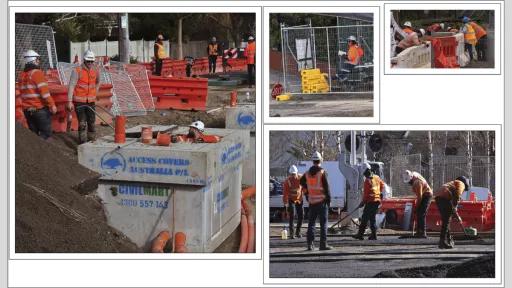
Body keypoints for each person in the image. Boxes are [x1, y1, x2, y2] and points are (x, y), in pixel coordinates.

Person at [19, 49, 57, 139]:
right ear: (34, 60)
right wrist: (52, 105)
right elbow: (45, 94)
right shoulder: (37, 73)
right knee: (46, 135)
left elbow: (22, 94)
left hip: (27, 111)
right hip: (39, 110)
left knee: (34, 137)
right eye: (38, 59)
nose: (39, 61)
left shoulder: (22, 75)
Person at [300, 151, 333, 251]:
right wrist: (329, 200)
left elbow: (302, 183)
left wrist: (307, 194)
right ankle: (323, 245)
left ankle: (310, 245)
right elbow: (327, 188)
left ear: (312, 161)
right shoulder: (322, 172)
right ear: (320, 160)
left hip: (312, 202)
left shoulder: (306, 174)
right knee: (323, 224)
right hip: (322, 202)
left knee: (311, 224)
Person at [66, 50, 100, 144]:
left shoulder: (96, 70)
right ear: (84, 60)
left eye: (91, 61)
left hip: (91, 101)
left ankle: (92, 141)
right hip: (79, 102)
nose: (90, 63)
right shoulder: (77, 70)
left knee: (92, 123)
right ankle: (83, 143)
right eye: (88, 61)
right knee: (82, 123)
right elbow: (71, 85)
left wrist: (95, 92)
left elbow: (98, 82)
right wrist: (69, 101)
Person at [434, 176, 470, 249]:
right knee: (446, 221)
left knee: (446, 221)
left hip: (438, 197)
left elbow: (452, 201)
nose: (463, 191)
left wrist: (454, 212)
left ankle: (447, 239)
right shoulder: (461, 183)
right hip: (444, 197)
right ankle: (442, 242)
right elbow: (457, 195)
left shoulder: (452, 184)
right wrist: (455, 208)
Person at [353, 163, 385, 241]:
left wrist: (363, 202)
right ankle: (373, 235)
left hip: (371, 202)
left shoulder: (367, 181)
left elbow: (366, 194)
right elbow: (382, 185)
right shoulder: (377, 177)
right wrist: (378, 193)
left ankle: (360, 234)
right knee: (372, 218)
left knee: (365, 218)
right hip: (376, 201)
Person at [403, 170, 432, 238]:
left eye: (409, 182)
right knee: (419, 213)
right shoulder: (414, 174)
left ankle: (422, 232)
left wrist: (416, 207)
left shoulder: (417, 183)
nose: (409, 183)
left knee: (421, 213)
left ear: (411, 178)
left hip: (427, 195)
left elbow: (420, 197)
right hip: (424, 194)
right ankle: (419, 231)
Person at [282, 165, 304, 239]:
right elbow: (285, 194)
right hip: (291, 199)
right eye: (292, 174)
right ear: (290, 174)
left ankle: (298, 232)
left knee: (301, 215)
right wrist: (286, 204)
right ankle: (292, 234)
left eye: (294, 174)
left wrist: (307, 194)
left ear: (297, 173)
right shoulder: (287, 181)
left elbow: (305, 187)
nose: (293, 176)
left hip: (299, 199)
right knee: (292, 215)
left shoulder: (301, 178)